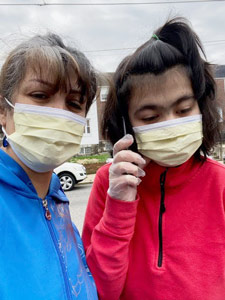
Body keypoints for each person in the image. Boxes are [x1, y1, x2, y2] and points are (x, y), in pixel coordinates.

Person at [82, 17, 225, 300]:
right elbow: (99, 289)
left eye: (183, 110)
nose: (170, 124)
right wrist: (118, 207)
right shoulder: (107, 183)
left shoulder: (220, 183)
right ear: (127, 125)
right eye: (150, 117)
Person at [0, 33, 98, 299]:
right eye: (40, 95)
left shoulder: (56, 197)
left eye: (74, 104)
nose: (60, 113)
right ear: (3, 110)